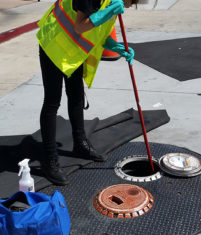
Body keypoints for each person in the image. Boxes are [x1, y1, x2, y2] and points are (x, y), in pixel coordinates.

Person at [36, 0, 138, 186]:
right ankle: (49, 160)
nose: (131, 6)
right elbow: (81, 27)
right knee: (52, 101)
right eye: (132, 1)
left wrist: (117, 47)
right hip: (53, 44)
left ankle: (80, 144)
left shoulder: (111, 2)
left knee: (76, 96)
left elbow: (97, 32)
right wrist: (108, 12)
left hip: (71, 50)